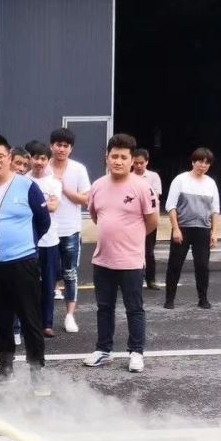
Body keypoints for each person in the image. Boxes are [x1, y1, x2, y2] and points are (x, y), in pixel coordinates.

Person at [0, 133, 51, 390]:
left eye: (0, 156)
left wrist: (25, 245)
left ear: (9, 157)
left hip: (23, 263)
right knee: (1, 318)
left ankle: (37, 373)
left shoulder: (27, 187)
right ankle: (5, 367)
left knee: (30, 318)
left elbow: (43, 222)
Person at [83, 135, 159, 373]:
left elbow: (152, 221)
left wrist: (131, 238)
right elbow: (96, 216)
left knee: (134, 309)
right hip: (102, 259)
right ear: (106, 157)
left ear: (132, 160)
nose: (118, 161)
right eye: (114, 156)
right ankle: (103, 350)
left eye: (123, 157)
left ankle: (136, 352)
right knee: (104, 308)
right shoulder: (97, 186)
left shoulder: (143, 187)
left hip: (131, 261)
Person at [164, 147, 221, 310]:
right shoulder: (180, 180)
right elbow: (171, 206)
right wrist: (176, 228)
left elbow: (215, 210)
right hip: (183, 228)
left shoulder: (211, 183)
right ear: (193, 162)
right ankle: (169, 299)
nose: (203, 165)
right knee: (175, 265)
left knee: (202, 266)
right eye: (200, 161)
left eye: (207, 163)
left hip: (203, 229)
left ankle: (203, 299)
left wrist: (214, 232)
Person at [49, 127, 91, 334]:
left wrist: (63, 188)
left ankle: (69, 316)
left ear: (71, 148)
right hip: (46, 231)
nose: (62, 149)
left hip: (70, 229)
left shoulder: (78, 169)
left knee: (70, 274)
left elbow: (86, 200)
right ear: (51, 146)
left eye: (66, 146)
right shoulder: (43, 167)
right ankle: (45, 318)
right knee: (45, 275)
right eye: (58, 145)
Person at [28, 143, 62, 337]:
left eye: (43, 158)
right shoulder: (23, 181)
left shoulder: (54, 183)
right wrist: (43, 204)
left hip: (49, 241)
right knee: (29, 285)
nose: (39, 162)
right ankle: (29, 323)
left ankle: (47, 324)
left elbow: (54, 207)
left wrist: (34, 205)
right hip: (28, 241)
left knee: (48, 285)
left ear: (48, 161)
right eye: (36, 157)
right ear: (30, 159)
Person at [131, 147, 163, 289]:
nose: (138, 166)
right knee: (131, 250)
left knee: (148, 251)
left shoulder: (153, 177)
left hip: (149, 219)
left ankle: (151, 280)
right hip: (133, 219)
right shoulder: (128, 176)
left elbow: (155, 196)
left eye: (141, 163)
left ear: (147, 162)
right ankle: (131, 279)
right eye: (136, 163)